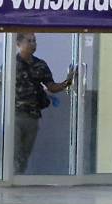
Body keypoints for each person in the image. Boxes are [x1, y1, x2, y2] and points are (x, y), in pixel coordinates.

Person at [11, 32, 75, 174]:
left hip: (32, 116)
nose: (33, 44)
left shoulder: (40, 65)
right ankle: (11, 179)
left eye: (34, 41)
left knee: (24, 154)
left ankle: (18, 179)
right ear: (18, 44)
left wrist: (67, 82)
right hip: (14, 115)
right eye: (29, 41)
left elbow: (51, 86)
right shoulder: (11, 64)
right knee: (13, 152)